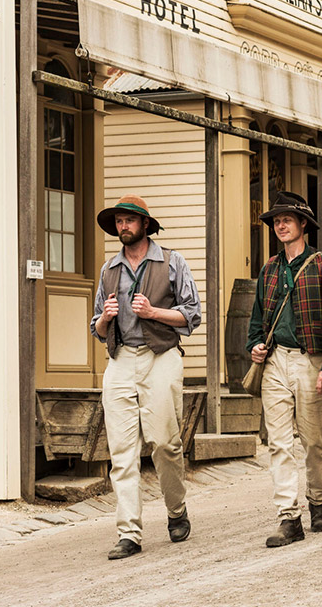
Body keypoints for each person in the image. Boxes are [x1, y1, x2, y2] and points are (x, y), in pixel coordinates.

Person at [91, 194, 202, 560]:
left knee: (164, 443)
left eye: (130, 220)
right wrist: (106, 317)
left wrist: (154, 312)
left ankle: (176, 509)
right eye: (119, 221)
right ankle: (129, 533)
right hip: (121, 360)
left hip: (161, 357)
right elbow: (97, 328)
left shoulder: (172, 262)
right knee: (122, 452)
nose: (123, 226)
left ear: (145, 224)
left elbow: (192, 315)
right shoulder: (109, 270)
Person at [247, 192, 322, 548]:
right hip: (275, 361)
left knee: (315, 442)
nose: (281, 225)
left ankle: (319, 501)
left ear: (303, 224)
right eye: (276, 220)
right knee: (277, 444)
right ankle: (288, 517)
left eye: (287, 219)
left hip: (312, 361)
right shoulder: (269, 269)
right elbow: (257, 318)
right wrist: (256, 345)